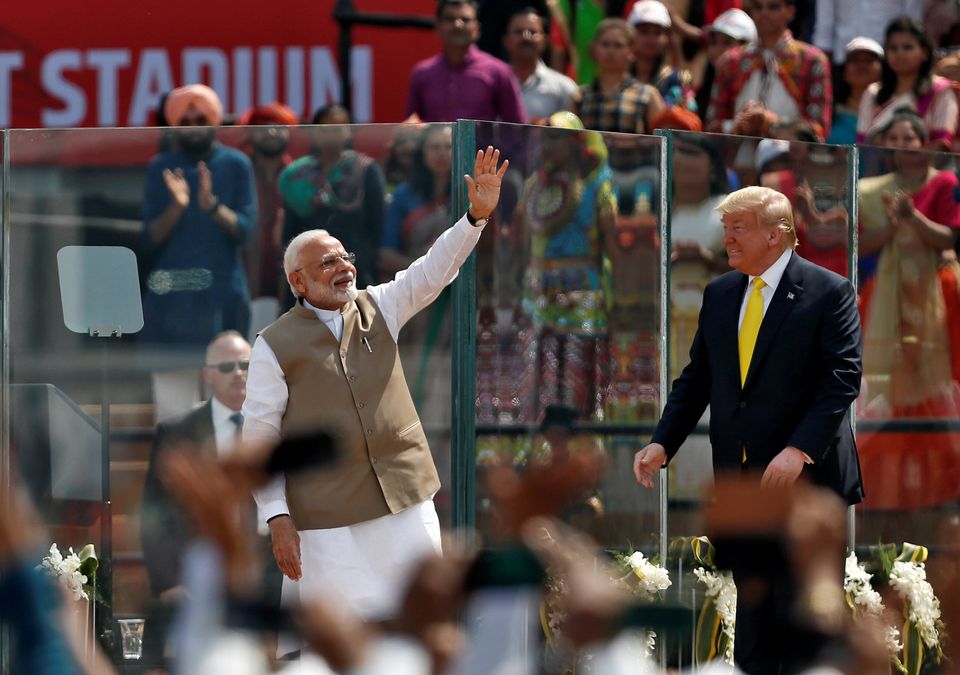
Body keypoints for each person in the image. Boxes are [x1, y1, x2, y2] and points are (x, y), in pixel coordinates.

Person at [242, 146, 508, 644]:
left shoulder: (378, 305)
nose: (343, 266)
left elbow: (432, 272)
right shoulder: (272, 345)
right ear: (297, 281)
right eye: (327, 262)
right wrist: (276, 518)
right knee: (343, 640)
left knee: (423, 625)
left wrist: (475, 218)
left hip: (404, 501)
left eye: (346, 256)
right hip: (327, 521)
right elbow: (259, 439)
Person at [633, 186, 863, 674]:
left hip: (807, 486)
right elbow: (698, 379)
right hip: (743, 486)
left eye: (738, 229)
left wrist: (798, 450)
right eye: (725, 229)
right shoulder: (720, 294)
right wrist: (662, 442)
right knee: (754, 623)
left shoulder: (829, 290)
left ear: (776, 237)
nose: (727, 240)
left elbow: (842, 380)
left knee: (803, 622)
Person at [856, 108, 960, 510]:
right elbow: (861, 245)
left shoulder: (945, 183)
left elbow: (948, 237)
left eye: (908, 138)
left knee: (934, 388)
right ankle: (885, 494)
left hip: (938, 298)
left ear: (925, 144)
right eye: (894, 139)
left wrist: (912, 217)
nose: (901, 145)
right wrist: (894, 225)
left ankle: (937, 492)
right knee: (889, 390)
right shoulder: (870, 189)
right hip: (884, 299)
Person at [140, 331, 255, 666]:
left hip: (265, 577)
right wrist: (169, 582)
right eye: (228, 365)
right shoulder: (177, 433)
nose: (239, 372)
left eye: (246, 364)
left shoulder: (273, 427)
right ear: (207, 375)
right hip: (198, 578)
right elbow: (154, 513)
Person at [140, 84, 257, 350]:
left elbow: (248, 231)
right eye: (186, 121)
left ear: (215, 120)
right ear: (175, 125)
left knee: (227, 382)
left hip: (223, 293)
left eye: (201, 119)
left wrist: (212, 207)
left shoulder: (236, 163)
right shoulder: (160, 166)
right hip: (172, 297)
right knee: (173, 387)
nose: (194, 126)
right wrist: (177, 207)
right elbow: (148, 239)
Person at [278, 104, 385, 301]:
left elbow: (377, 227)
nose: (330, 134)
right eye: (324, 128)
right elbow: (289, 232)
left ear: (349, 131)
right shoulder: (295, 176)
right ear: (314, 133)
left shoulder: (365, 170)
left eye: (337, 128)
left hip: (354, 269)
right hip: (308, 272)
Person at [705, 0, 833, 140]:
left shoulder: (811, 61)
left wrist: (769, 122)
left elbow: (819, 129)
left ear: (790, 12)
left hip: (791, 158)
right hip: (738, 158)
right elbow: (711, 125)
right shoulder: (731, 61)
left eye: (773, 7)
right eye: (758, 7)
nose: (764, 13)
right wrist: (739, 125)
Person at [406, 0, 527, 123]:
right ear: (438, 27)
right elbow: (411, 125)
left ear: (477, 28)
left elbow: (517, 129)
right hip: (433, 142)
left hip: (481, 143)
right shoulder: (422, 73)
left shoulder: (499, 72)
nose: (458, 25)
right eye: (450, 19)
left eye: (465, 19)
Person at [856, 16, 958, 149]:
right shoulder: (873, 93)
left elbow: (942, 145)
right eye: (893, 48)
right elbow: (863, 146)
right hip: (877, 168)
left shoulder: (940, 91)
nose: (900, 54)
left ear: (924, 52)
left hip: (926, 168)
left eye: (907, 47)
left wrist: (909, 164)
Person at [238, 102, 299, 301]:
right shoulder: (238, 171)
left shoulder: (301, 175)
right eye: (262, 127)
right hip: (243, 274)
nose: (271, 132)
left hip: (289, 278)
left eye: (279, 126)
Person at [570, 18, 667, 134]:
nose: (611, 51)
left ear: (631, 51)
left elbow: (664, 141)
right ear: (594, 49)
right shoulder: (580, 96)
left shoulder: (648, 95)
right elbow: (569, 141)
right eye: (605, 44)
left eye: (618, 45)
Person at [503, 6, 579, 123]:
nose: (526, 37)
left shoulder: (564, 88)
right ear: (506, 40)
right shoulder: (493, 82)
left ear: (545, 41)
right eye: (519, 32)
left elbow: (572, 134)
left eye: (533, 32)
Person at [695, 8, 758, 124]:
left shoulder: (755, 84)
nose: (718, 49)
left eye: (727, 43)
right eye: (713, 42)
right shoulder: (705, 82)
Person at [827, 37, 884, 144]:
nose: (861, 65)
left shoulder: (887, 109)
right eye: (854, 60)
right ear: (844, 71)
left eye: (869, 61)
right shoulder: (830, 111)